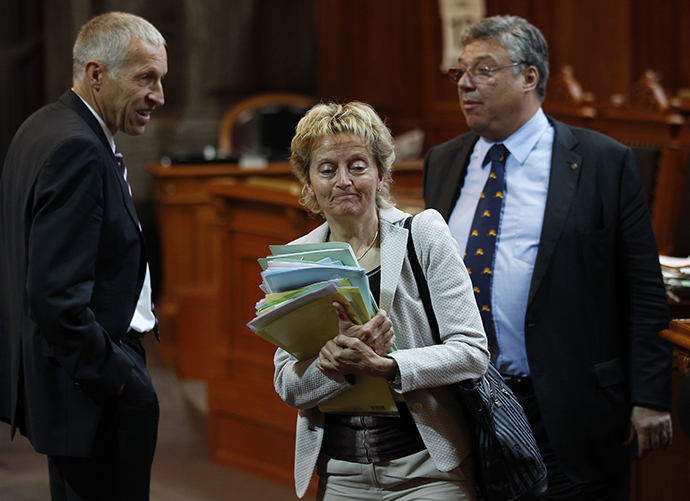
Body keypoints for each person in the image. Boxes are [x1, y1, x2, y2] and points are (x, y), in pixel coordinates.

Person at [423, 14, 673, 500]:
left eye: (484, 69)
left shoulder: (603, 162)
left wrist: (648, 396)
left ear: (529, 77)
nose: (465, 84)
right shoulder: (445, 160)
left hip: (566, 403)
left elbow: (641, 286)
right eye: (460, 72)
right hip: (468, 404)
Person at [273, 101, 490, 500]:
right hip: (341, 473)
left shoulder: (423, 234)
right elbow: (289, 387)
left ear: (381, 173)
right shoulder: (294, 260)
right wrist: (333, 365)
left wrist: (388, 366)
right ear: (307, 183)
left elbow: (472, 353)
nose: (343, 181)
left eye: (357, 165)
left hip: (427, 468)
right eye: (327, 169)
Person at [0, 11, 167, 501]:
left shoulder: (43, 126)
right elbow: (54, 296)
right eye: (146, 78)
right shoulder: (79, 149)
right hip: (92, 391)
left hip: (69, 385)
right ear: (97, 75)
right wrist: (116, 379)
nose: (158, 96)